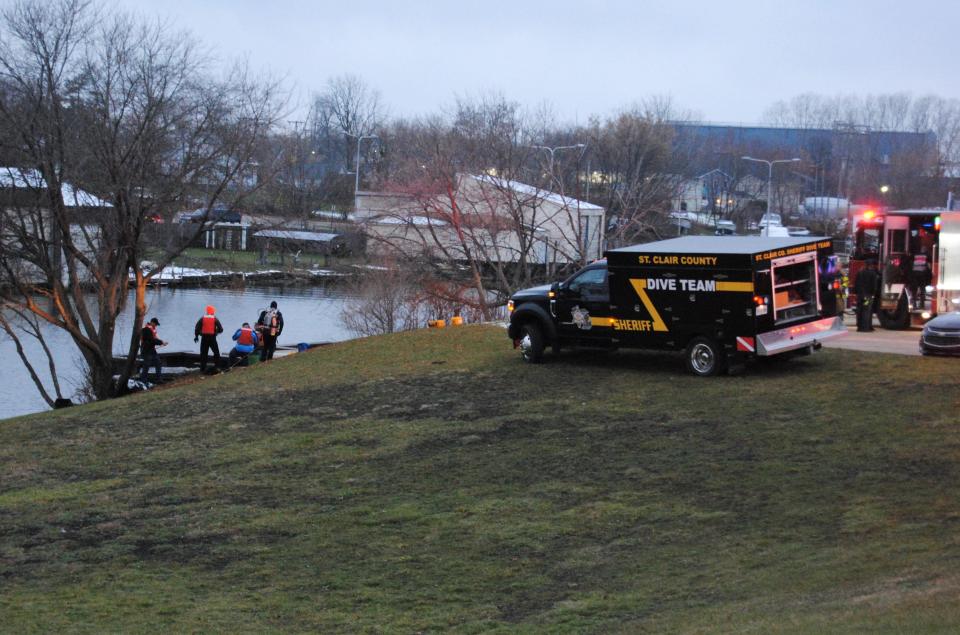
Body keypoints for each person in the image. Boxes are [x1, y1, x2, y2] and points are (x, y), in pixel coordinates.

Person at [194, 305, 223, 372]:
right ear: (213, 312)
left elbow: (197, 328)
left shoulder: (202, 318)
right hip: (212, 338)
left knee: (203, 353)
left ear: (207, 311)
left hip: (204, 338)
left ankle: (202, 368)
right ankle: (217, 367)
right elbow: (221, 329)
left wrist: (196, 336)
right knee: (216, 353)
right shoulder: (215, 319)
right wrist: (216, 332)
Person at [853, 259, 880, 332]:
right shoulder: (872, 273)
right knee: (866, 310)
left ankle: (859, 326)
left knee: (860, 310)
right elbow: (874, 286)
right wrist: (873, 293)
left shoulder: (860, 272)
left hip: (860, 295)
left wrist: (856, 293)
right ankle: (865, 327)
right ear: (871, 265)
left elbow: (856, 284)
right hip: (868, 296)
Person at [139, 317, 167, 382]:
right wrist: (161, 342)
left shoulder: (151, 330)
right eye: (155, 324)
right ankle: (144, 380)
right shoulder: (146, 329)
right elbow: (152, 340)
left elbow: (154, 339)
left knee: (158, 363)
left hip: (152, 350)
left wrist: (161, 342)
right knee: (146, 365)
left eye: (157, 324)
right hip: (146, 350)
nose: (156, 326)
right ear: (152, 322)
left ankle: (159, 379)